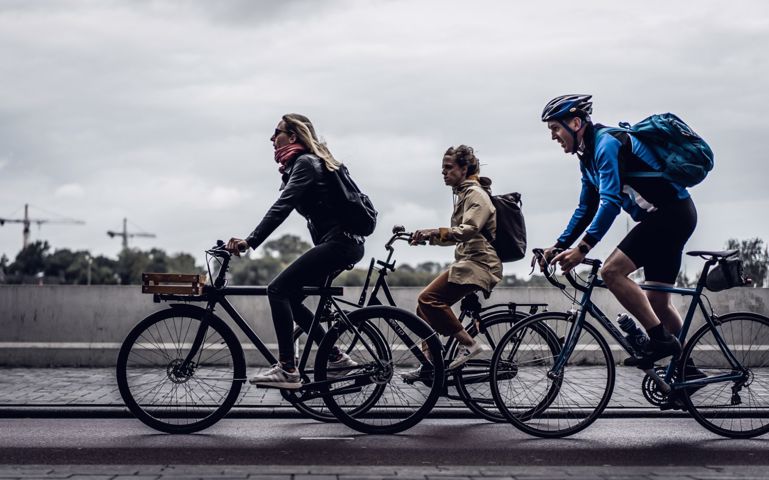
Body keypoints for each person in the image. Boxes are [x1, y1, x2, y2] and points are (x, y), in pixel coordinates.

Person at [539, 94, 698, 370]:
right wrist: (559, 244)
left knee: (611, 272)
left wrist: (583, 248)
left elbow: (610, 203)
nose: (553, 136)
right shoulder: (587, 158)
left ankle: (660, 341)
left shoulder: (606, 145)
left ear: (575, 123)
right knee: (658, 303)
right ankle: (687, 373)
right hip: (670, 216)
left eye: (555, 128)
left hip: (670, 215)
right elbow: (586, 207)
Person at [227, 113, 364, 389]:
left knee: (276, 289)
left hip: (340, 244)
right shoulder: (303, 164)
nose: (271, 138)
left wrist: (250, 241)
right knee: (290, 296)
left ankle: (288, 369)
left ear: (292, 137)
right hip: (344, 243)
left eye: (276, 132)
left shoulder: (305, 163)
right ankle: (336, 357)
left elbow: (283, 206)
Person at [404, 145, 502, 379]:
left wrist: (434, 231)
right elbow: (458, 235)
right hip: (470, 262)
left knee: (428, 299)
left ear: (464, 168)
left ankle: (469, 345)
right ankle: (430, 364)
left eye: (448, 168)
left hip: (480, 264)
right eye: (443, 169)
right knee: (423, 309)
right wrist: (429, 238)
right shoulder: (465, 194)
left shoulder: (476, 194)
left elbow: (468, 230)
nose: (443, 173)